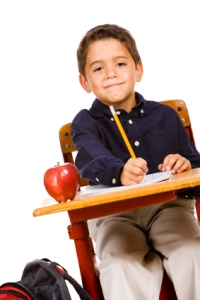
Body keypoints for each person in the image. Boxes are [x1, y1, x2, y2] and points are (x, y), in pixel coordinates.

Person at [71, 24, 200, 300]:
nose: (111, 74)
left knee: (193, 250)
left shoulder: (166, 115)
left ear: (138, 70)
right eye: (98, 69)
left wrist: (184, 167)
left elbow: (195, 170)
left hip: (170, 209)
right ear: (85, 82)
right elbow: (90, 158)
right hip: (115, 216)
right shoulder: (85, 122)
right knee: (119, 265)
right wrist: (119, 170)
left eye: (120, 63)